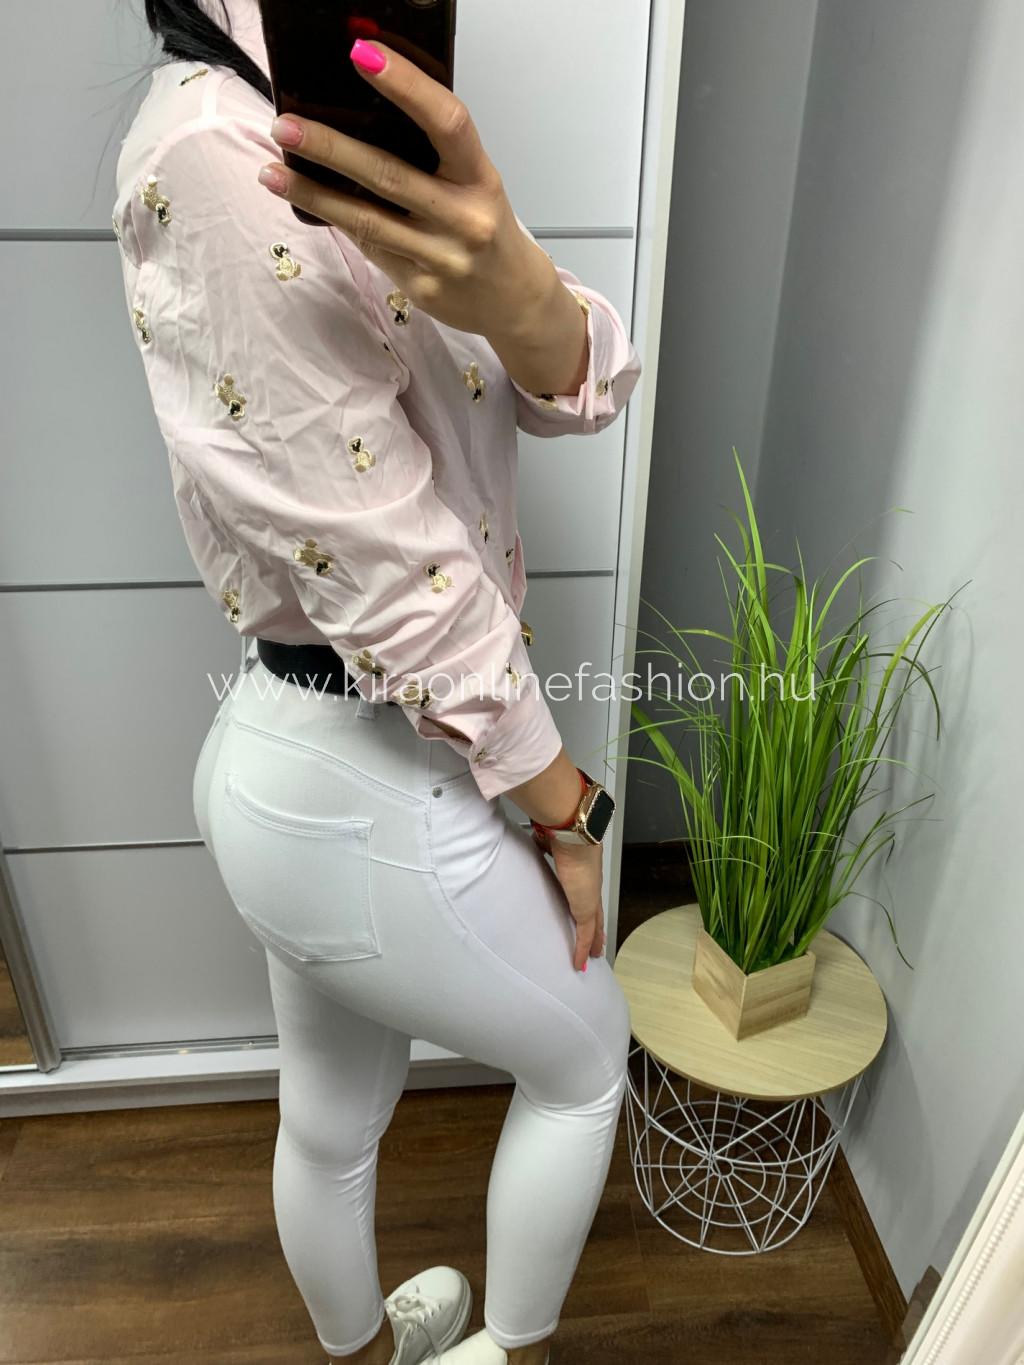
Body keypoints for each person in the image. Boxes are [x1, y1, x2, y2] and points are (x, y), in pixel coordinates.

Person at [117, 2, 643, 1362]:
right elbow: (388, 567)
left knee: (331, 1118)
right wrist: (568, 808)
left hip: (319, 767)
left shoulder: (350, 97)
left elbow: (583, 383)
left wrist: (517, 285)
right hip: (366, 774)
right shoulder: (212, 149)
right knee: (587, 1062)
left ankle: (367, 1354)